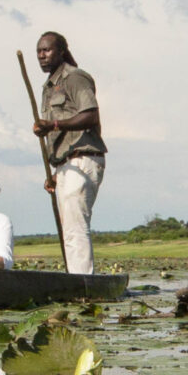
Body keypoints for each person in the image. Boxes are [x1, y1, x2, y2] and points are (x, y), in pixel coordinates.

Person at [33, 31, 105, 274]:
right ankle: (76, 278)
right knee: (69, 229)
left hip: (82, 158)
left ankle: (83, 283)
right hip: (66, 164)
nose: (41, 56)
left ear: (61, 51)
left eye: (47, 50)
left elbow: (91, 115)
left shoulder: (75, 78)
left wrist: (53, 125)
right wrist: (57, 172)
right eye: (38, 52)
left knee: (75, 228)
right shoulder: (49, 87)